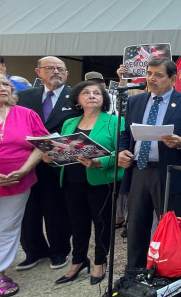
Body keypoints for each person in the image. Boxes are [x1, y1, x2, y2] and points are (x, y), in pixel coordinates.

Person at [117, 57, 181, 274]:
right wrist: (121, 151)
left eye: (158, 75)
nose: (151, 79)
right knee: (137, 225)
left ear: (173, 78)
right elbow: (125, 133)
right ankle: (135, 271)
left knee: (171, 227)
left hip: (170, 172)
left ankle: (169, 272)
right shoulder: (136, 102)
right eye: (149, 74)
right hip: (139, 169)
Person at [0, 67, 48, 296]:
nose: (3, 88)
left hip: (17, 184)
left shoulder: (26, 114)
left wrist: (24, 169)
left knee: (7, 228)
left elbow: (42, 144)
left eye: (6, 84)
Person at [45, 80, 124, 285]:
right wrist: (51, 158)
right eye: (86, 92)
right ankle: (78, 261)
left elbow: (123, 154)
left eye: (96, 93)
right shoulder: (69, 123)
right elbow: (63, 152)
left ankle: (100, 262)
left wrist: (100, 161)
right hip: (72, 180)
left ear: (103, 98)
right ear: (78, 99)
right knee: (77, 223)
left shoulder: (114, 122)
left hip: (100, 181)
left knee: (102, 224)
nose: (91, 95)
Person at [15, 56, 80, 271]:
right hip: (27, 162)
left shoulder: (76, 97)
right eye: (50, 68)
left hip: (58, 163)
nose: (56, 72)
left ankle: (59, 251)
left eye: (61, 69)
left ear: (67, 74)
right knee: (29, 209)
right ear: (38, 72)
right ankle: (33, 251)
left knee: (57, 209)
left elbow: (82, 128)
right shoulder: (23, 97)